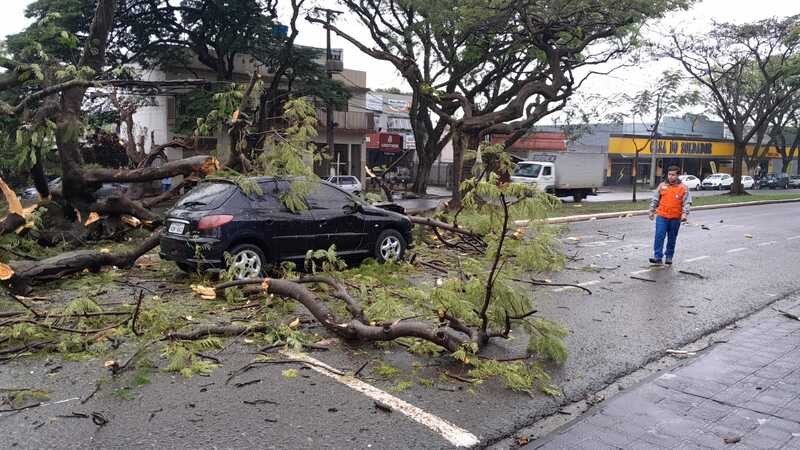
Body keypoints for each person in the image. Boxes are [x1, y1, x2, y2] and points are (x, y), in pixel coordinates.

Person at [648, 166, 692, 266]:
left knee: (672, 238)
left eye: (673, 175)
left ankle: (669, 257)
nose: (670, 177)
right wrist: (651, 211)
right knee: (659, 236)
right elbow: (655, 199)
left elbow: (687, 202)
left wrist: (684, 214)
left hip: (675, 218)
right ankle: (657, 257)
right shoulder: (662, 186)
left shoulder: (683, 188)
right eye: (669, 174)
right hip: (662, 216)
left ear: (678, 175)